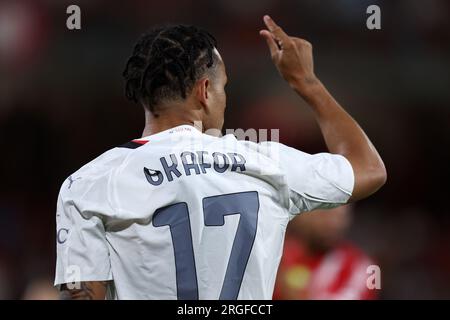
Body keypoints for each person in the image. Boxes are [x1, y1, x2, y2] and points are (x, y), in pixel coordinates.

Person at [55, 16, 386, 299]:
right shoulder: (267, 163)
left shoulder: (89, 184)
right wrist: (306, 82)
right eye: (223, 87)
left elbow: (82, 293)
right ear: (204, 91)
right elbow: (369, 168)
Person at [274, 205, 377, 300]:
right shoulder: (281, 253)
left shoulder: (361, 267)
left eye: (340, 216)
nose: (334, 224)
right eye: (325, 215)